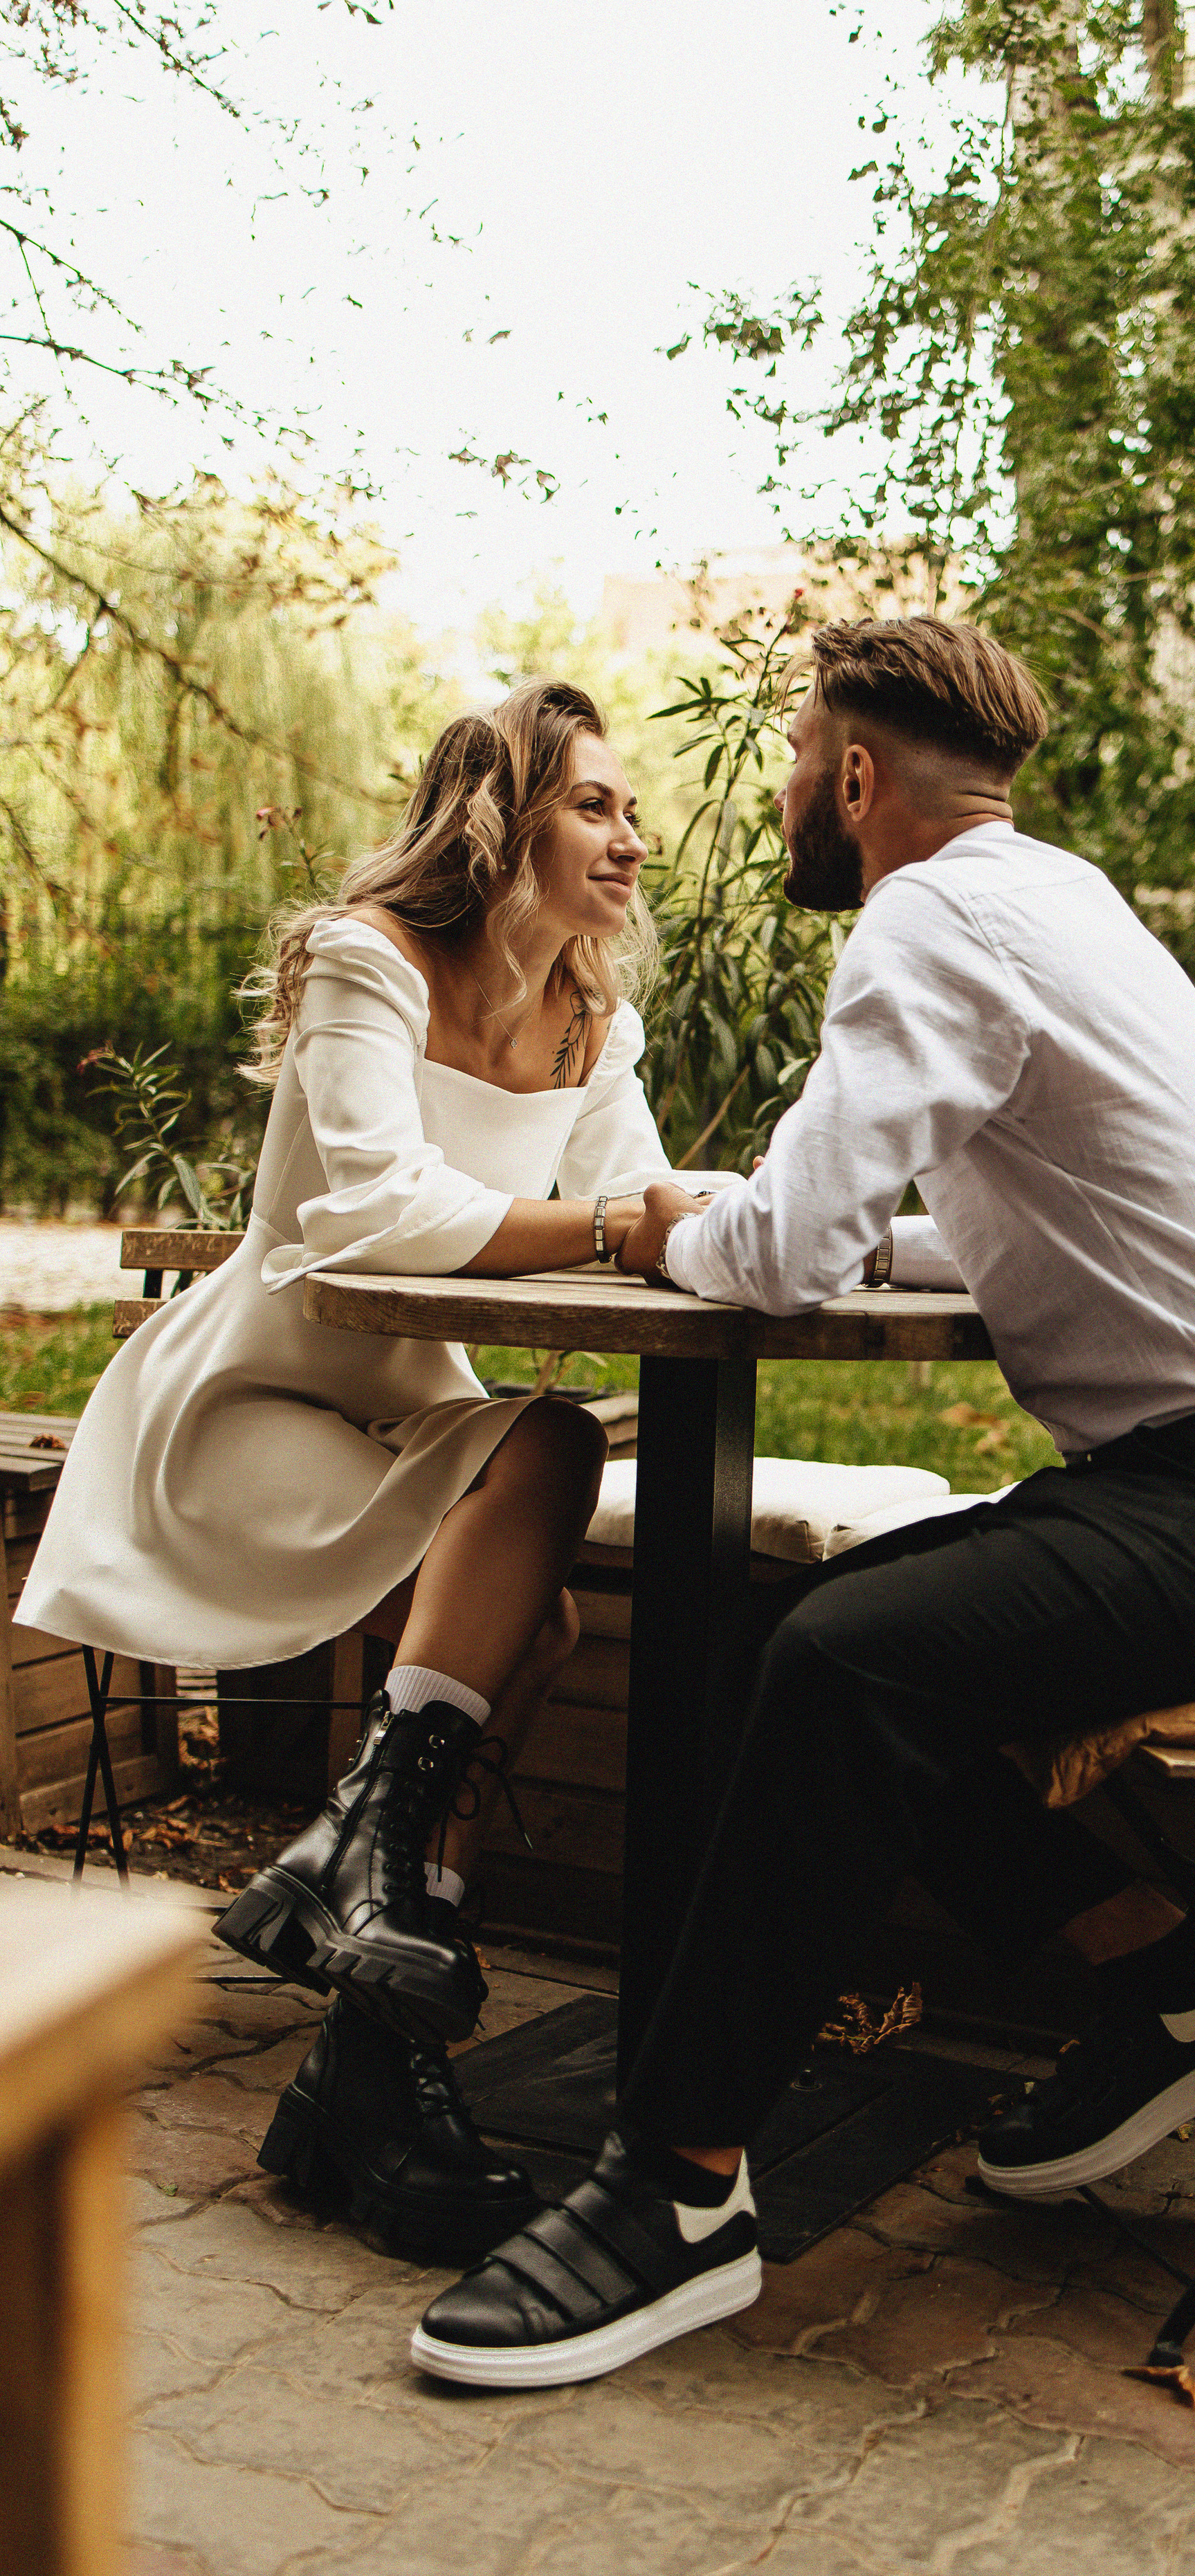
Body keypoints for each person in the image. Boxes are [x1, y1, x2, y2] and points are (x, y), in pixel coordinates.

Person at [410, 617, 1195, 2392]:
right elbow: (1037, 1202)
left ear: (856, 777)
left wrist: (664, 1224)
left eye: (798, 762)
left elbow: (780, 1249)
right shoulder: (1059, 899)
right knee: (802, 1634)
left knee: (844, 1659)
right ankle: (1176, 1983)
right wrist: (823, 1229)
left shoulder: (926, 919)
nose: (785, 793)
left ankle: (677, 2190)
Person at [20, 677, 724, 2260]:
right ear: (501, 816)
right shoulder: (371, 958)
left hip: (410, 1404)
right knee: (530, 1620)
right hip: (249, 1396)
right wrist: (622, 1224)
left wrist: (719, 1215)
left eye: (632, 809)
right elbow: (368, 1217)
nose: (631, 836)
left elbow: (637, 1205)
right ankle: (372, 1994)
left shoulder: (591, 1020)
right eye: (594, 805)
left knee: (547, 1457)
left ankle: (365, 1989)